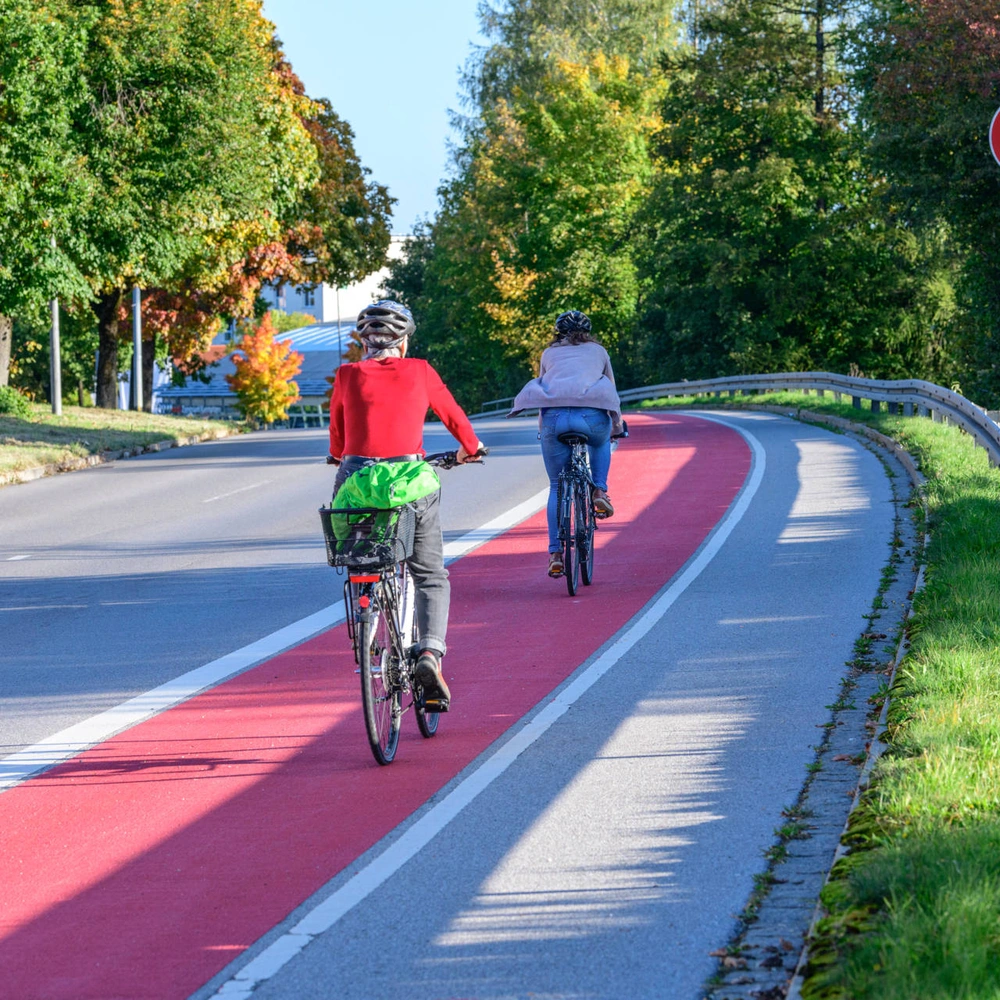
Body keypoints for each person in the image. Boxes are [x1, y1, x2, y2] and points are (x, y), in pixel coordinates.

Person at [327, 300, 484, 709]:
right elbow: (452, 416)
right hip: (408, 481)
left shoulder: (346, 375)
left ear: (365, 342)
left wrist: (339, 454)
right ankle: (429, 653)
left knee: (364, 558)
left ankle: (367, 599)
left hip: (357, 479)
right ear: (404, 340)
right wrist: (471, 448)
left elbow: (338, 434)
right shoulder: (420, 371)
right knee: (430, 573)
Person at [509, 310, 623, 579]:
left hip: (555, 419)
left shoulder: (549, 354)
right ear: (588, 331)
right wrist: (617, 428)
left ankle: (555, 554)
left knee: (557, 486)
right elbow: (610, 390)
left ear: (557, 331)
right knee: (601, 440)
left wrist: (543, 429)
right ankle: (599, 491)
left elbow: (545, 386)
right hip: (592, 415)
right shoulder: (599, 351)